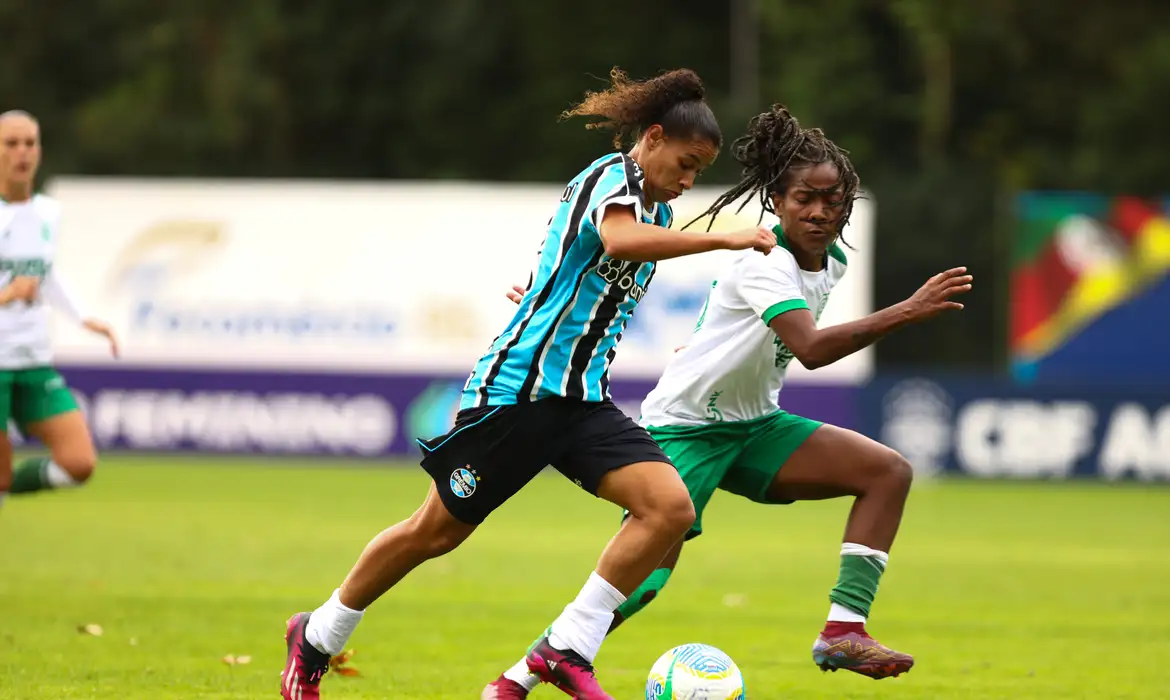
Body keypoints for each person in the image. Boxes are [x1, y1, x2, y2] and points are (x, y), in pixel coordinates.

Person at [279, 67, 777, 700]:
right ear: (652, 137)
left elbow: (587, 267)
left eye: (698, 171)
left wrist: (542, 289)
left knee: (670, 509)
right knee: (435, 532)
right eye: (685, 162)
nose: (688, 180)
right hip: (517, 393)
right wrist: (722, 237)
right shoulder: (611, 178)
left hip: (579, 402)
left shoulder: (653, 206)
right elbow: (618, 240)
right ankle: (318, 634)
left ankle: (567, 647)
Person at [485, 104, 974, 697]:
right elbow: (812, 349)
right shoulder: (762, 263)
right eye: (804, 199)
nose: (820, 212)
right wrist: (910, 309)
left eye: (834, 200)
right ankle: (517, 679)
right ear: (775, 201)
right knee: (642, 584)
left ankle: (845, 629)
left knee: (887, 471)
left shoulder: (833, 262)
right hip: (685, 428)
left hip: (754, 425)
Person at [0, 110, 120, 508]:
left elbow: (46, 275)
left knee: (79, 463)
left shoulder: (48, 213)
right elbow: (18, 285)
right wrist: (8, 294)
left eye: (30, 143)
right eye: (11, 143)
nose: (22, 152)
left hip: (33, 360)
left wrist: (83, 317)